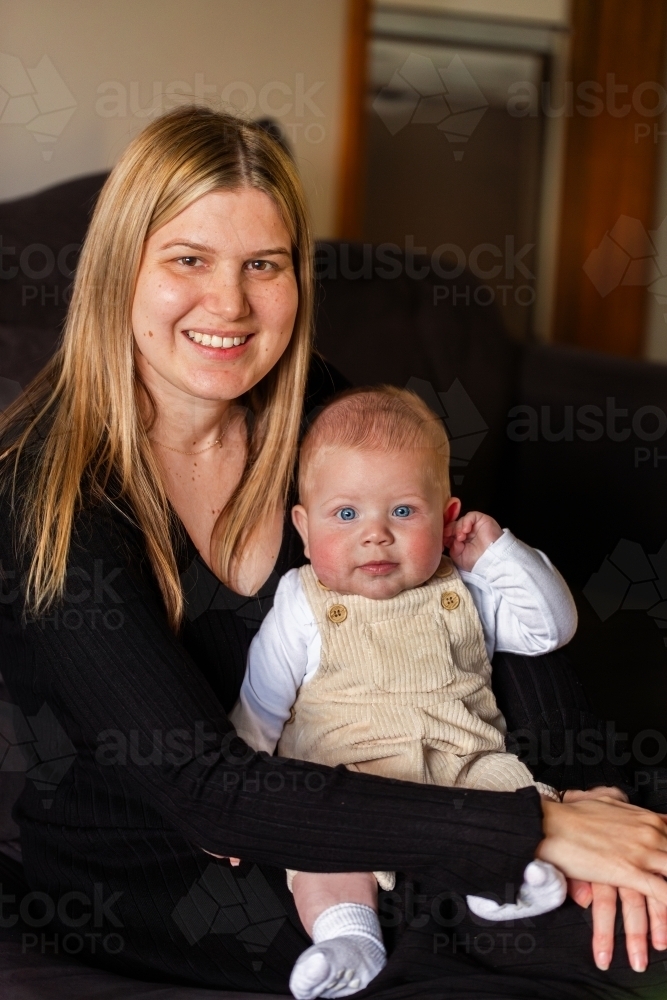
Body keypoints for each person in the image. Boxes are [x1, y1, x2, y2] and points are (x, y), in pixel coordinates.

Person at [0, 106, 666, 999]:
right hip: (172, 885)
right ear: (122, 268)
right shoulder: (45, 486)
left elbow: (472, 578)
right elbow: (205, 787)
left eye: (262, 265)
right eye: (188, 260)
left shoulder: (313, 408)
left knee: (630, 912)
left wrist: (594, 799)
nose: (229, 304)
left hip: (396, 808)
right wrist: (532, 826)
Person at [231, 385, 578, 998]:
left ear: (446, 518)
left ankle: (505, 883)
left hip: (465, 766)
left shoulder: (465, 588)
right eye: (346, 515)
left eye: (402, 512)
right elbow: (261, 706)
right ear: (304, 529)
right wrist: (235, 810)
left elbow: (550, 629)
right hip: (345, 786)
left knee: (517, 800)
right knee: (319, 855)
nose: (376, 536)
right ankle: (349, 941)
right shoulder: (301, 602)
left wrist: (496, 555)